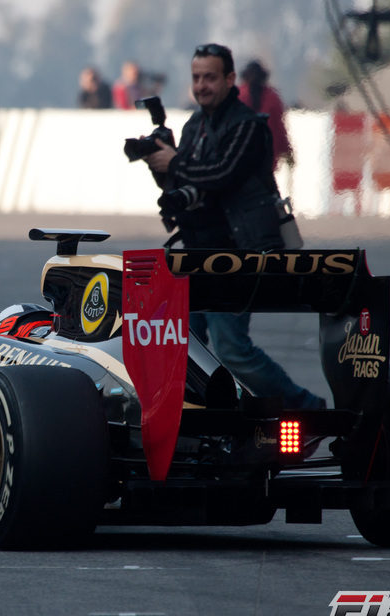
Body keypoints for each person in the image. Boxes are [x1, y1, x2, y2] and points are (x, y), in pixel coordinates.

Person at [142, 42, 325, 410]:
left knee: (231, 349)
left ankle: (306, 408)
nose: (202, 86)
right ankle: (211, 416)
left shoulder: (248, 126)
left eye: (210, 77)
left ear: (230, 80)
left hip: (238, 254)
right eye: (196, 78)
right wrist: (158, 165)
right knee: (183, 343)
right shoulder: (195, 125)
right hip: (196, 254)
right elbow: (188, 185)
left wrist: (174, 162)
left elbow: (222, 174)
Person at [237, 60, 293, 170]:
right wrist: (287, 152)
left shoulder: (237, 95)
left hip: (239, 157)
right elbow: (279, 129)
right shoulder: (272, 97)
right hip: (267, 159)